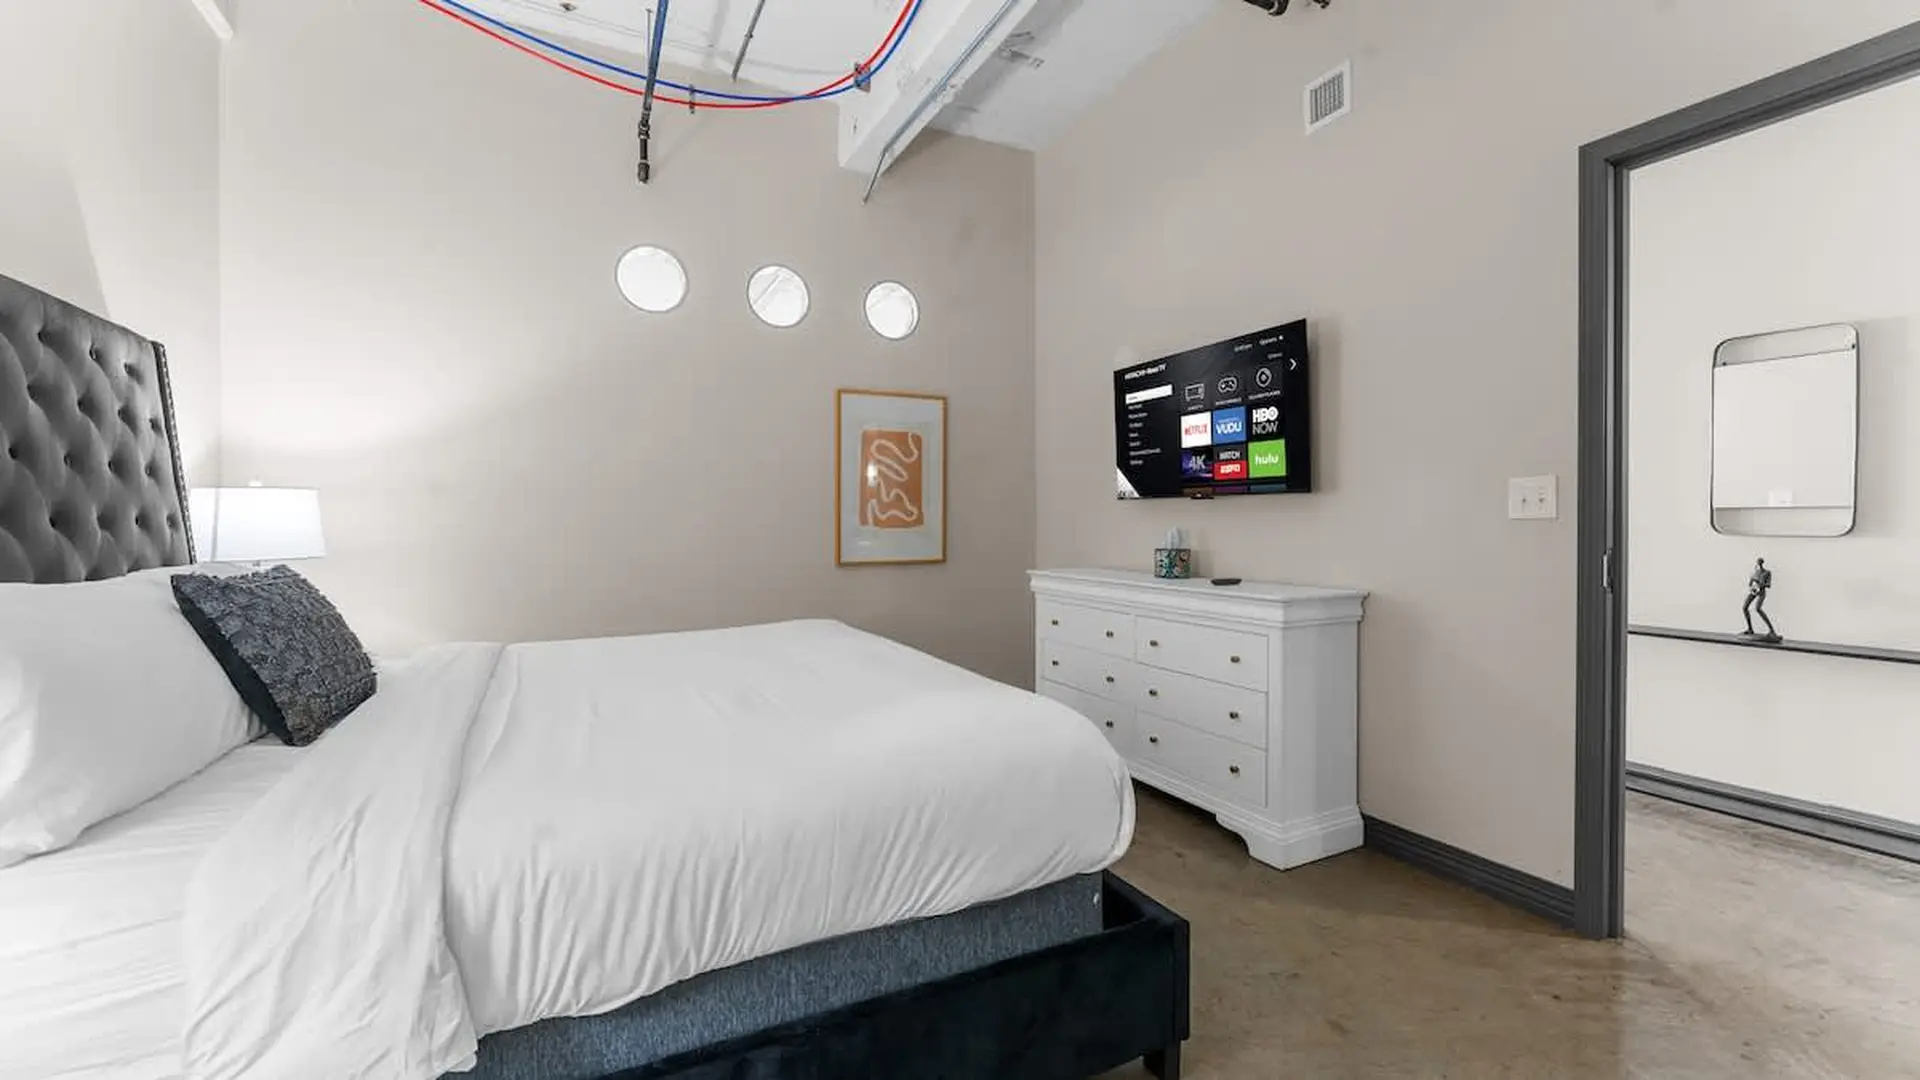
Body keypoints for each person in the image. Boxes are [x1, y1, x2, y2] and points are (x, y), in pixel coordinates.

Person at [1742, 558, 1780, 642]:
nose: (1759, 564)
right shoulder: (1755, 571)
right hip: (1754, 591)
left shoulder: (1767, 572)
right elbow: (1750, 582)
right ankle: (1750, 629)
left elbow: (1769, 585)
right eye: (1758, 562)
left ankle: (1772, 630)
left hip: (1761, 592)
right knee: (1744, 607)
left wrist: (1761, 584)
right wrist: (1752, 583)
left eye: (1760, 562)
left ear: (1762, 563)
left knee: (1758, 608)